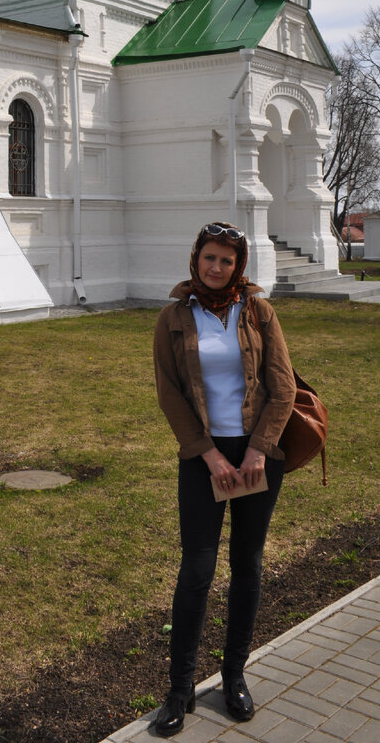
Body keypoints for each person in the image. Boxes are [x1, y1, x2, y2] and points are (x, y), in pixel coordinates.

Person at [152, 222, 296, 737]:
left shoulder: (258, 311)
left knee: (247, 565)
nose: (216, 268)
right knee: (196, 569)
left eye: (227, 261)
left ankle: (234, 676)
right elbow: (170, 394)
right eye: (209, 258)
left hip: (258, 455)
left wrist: (258, 448)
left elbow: (283, 387)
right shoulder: (174, 316)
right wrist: (209, 454)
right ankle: (179, 688)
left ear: (240, 266)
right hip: (203, 456)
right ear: (196, 259)